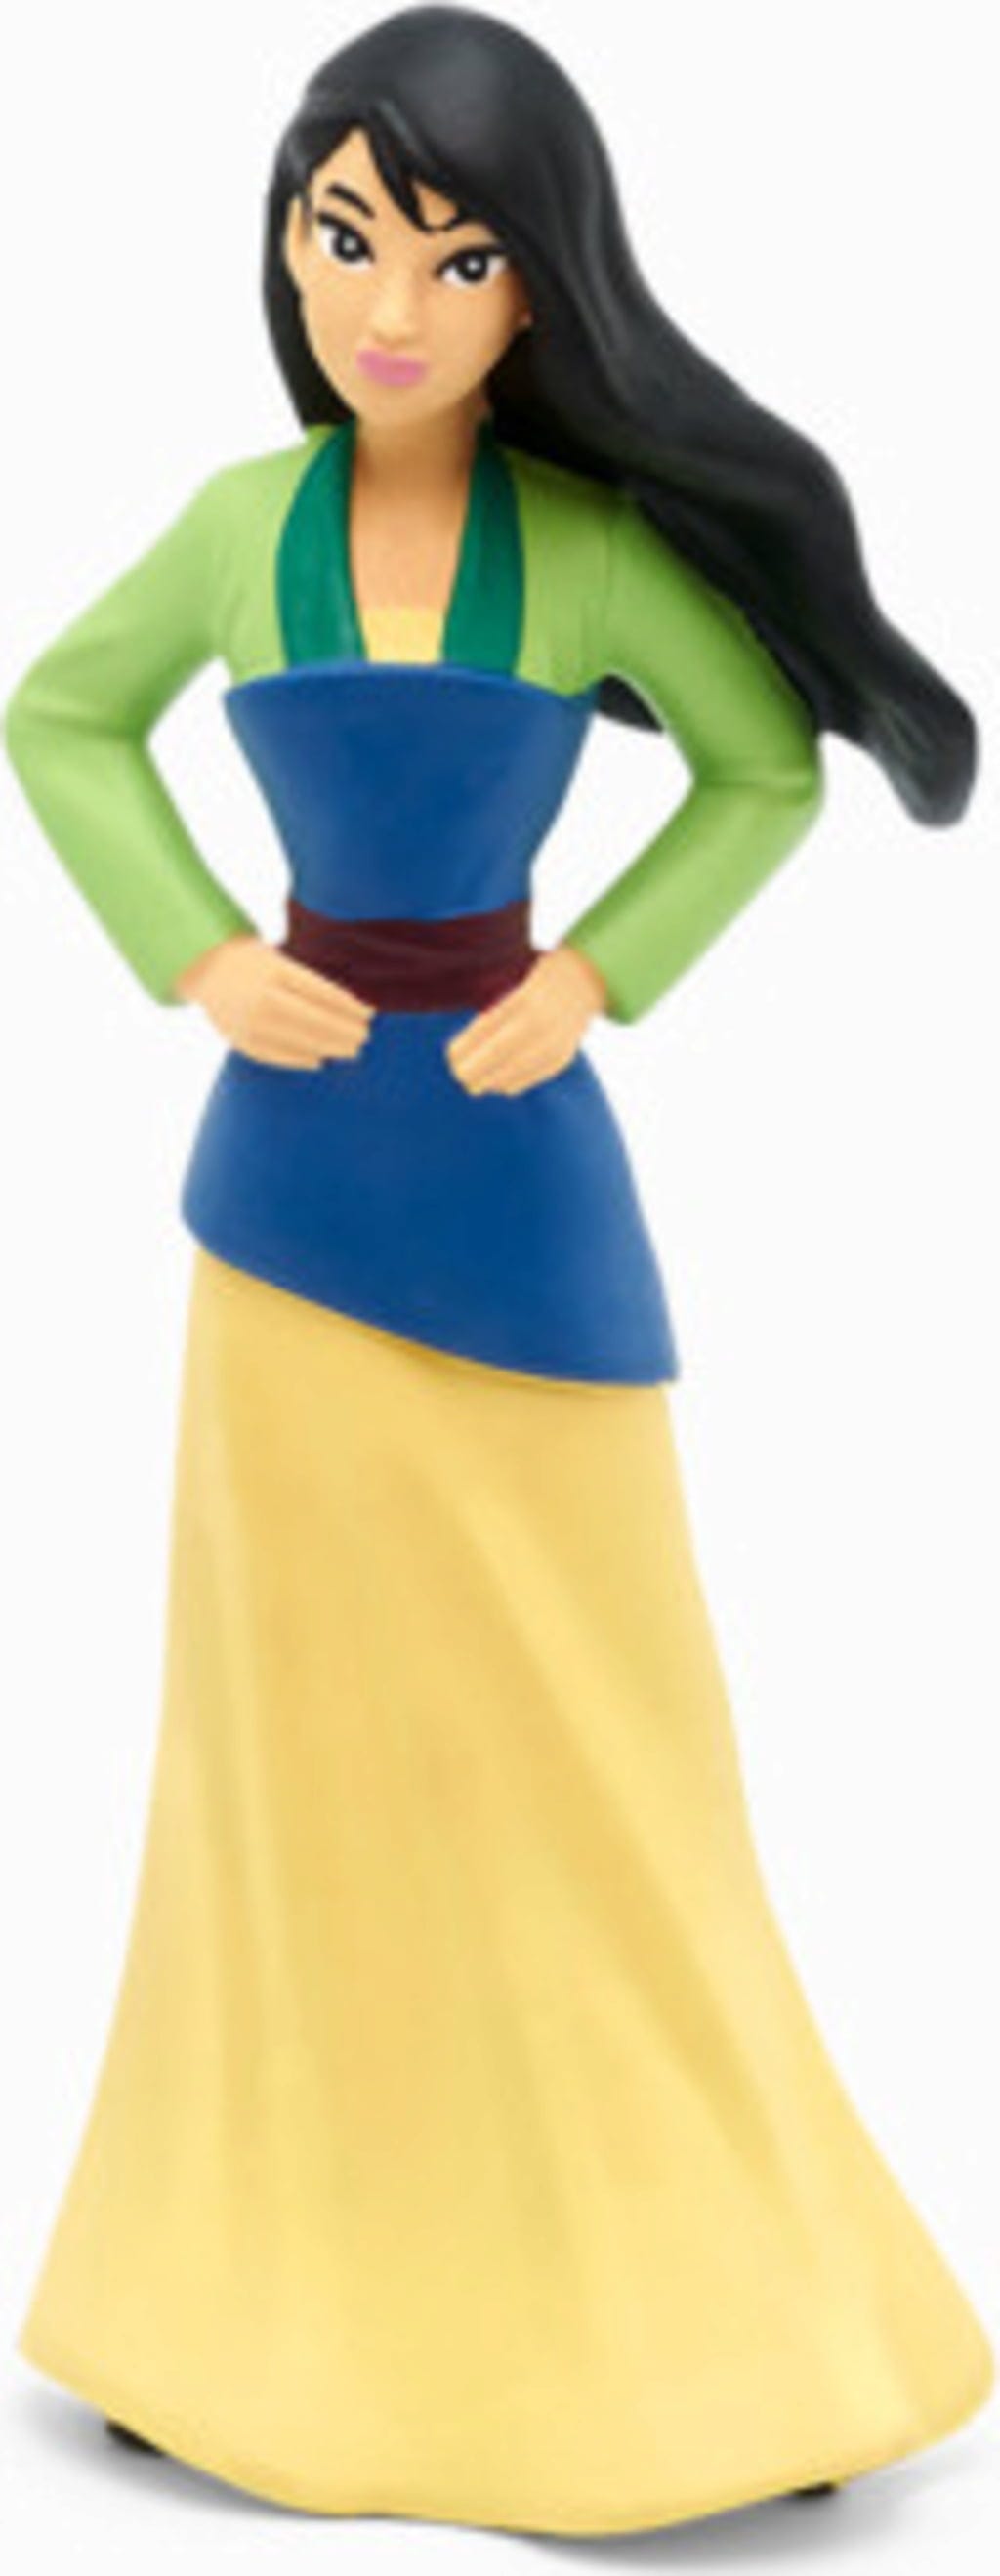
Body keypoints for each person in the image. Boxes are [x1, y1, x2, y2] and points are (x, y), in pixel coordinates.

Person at [5, 3, 993, 2535]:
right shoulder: (237, 525)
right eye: (346, 237)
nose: (393, 302)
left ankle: (700, 2306)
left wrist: (600, 973)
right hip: (281, 1194)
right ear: (285, 252)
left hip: (517, 1189)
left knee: (591, 1731)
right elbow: (62, 718)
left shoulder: (591, 553)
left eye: (453, 256)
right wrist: (195, 951)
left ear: (539, 285)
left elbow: (762, 767)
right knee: (288, 1754)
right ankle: (240, 2290)